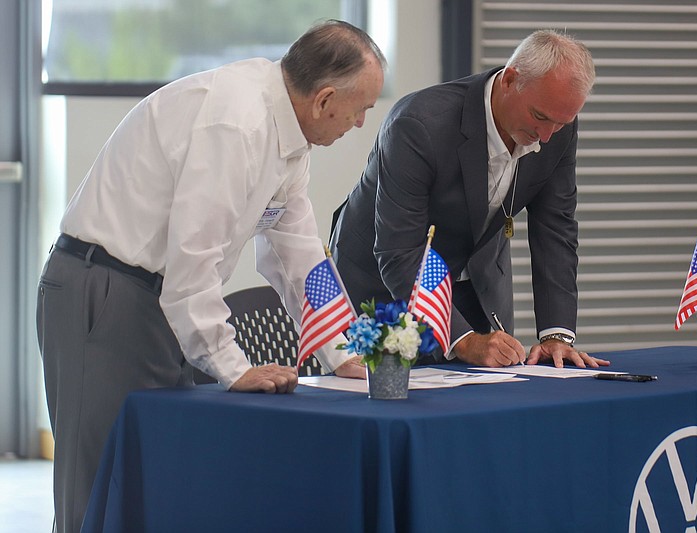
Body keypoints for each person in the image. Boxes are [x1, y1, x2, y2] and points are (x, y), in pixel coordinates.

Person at [36, 20, 383, 533]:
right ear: (325, 99)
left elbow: (300, 254)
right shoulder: (237, 122)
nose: (358, 125)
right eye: (360, 111)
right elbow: (193, 258)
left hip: (156, 300)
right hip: (105, 290)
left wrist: (345, 349)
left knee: (162, 483)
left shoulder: (289, 137)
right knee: (101, 488)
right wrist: (232, 366)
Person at [330, 29, 610, 369]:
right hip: (382, 286)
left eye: (561, 123)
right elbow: (400, 249)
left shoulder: (556, 123)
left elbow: (556, 229)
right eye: (540, 117)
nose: (547, 136)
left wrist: (556, 334)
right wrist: (462, 339)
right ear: (509, 80)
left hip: (473, 286)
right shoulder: (417, 124)